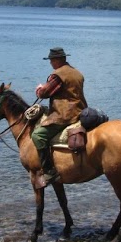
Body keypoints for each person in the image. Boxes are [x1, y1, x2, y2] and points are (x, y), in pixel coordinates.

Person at [31, 47, 88, 188]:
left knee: (38, 136)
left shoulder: (58, 75)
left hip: (65, 115)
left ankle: (49, 172)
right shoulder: (77, 73)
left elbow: (44, 93)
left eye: (51, 60)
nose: (51, 63)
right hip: (80, 111)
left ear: (56, 60)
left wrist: (39, 89)